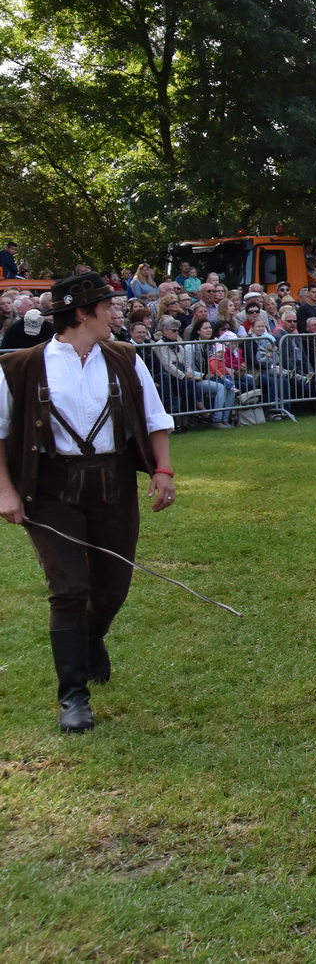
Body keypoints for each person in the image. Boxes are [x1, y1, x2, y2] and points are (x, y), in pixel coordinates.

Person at [0, 273, 176, 733]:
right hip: (52, 487)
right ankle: (73, 696)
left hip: (113, 483)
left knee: (113, 588)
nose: (116, 314)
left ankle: (91, 638)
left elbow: (156, 418)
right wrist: (5, 490)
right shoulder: (20, 366)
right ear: (81, 313)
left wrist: (163, 469)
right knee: (69, 589)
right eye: (107, 307)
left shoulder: (124, 358)